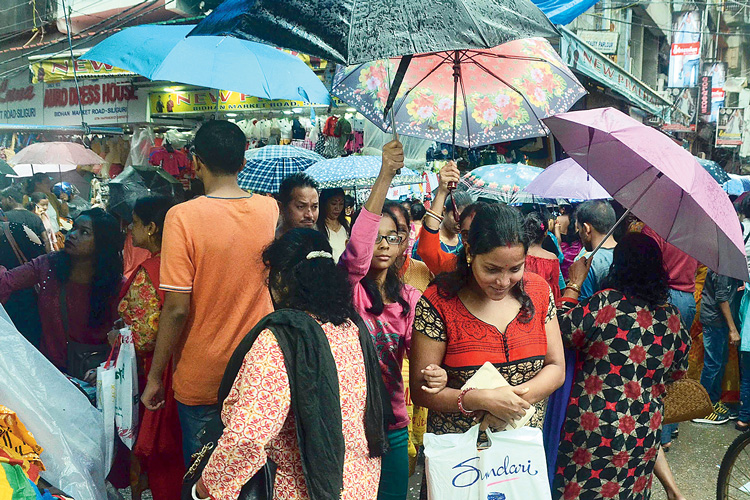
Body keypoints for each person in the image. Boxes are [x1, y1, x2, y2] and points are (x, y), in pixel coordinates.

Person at [194, 228, 388, 500]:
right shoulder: (351, 327)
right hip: (358, 483)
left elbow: (247, 437)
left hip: (299, 489)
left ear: (283, 280)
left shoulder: (282, 340)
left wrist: (205, 488)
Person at [141, 120, 279, 465]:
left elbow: (175, 309)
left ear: (196, 161)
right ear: (243, 162)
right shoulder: (268, 209)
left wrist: (155, 376)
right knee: (254, 478)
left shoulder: (182, 217)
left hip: (202, 376)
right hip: (257, 370)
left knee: (207, 479)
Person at [410, 203, 565, 497]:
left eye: (515, 269)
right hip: (460, 465)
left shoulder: (540, 291)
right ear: (470, 253)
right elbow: (421, 391)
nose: (503, 281)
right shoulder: (439, 302)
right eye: (491, 269)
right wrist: (480, 399)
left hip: (519, 458)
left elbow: (556, 367)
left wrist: (512, 401)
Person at [554, 232, 690, 500]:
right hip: (643, 430)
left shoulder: (607, 304)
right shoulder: (673, 320)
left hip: (594, 427)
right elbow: (677, 372)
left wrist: (573, 284)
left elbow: (561, 331)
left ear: (619, 265)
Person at [338, 140, 424, 500]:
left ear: (404, 242)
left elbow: (417, 356)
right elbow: (358, 252)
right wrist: (386, 175)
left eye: (394, 237)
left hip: (393, 422)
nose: (384, 245)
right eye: (378, 236)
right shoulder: (349, 288)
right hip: (350, 423)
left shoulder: (410, 300)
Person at [116, 195, 183, 500]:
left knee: (160, 448)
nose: (131, 228)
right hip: (182, 360)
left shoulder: (151, 270)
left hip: (156, 368)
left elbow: (144, 336)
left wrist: (116, 336)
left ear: (152, 227)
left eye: (136, 222)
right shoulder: (183, 261)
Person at [0, 208, 123, 373]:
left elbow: (124, 336)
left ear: (103, 243)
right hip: (49, 371)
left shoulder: (117, 285)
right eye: (74, 228)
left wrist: (107, 368)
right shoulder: (49, 265)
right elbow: (6, 282)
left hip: (96, 375)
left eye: (84, 232)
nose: (72, 235)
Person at [641, 224, 698, 447]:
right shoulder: (694, 230)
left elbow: (649, 266)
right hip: (687, 298)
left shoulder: (655, 229)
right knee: (677, 367)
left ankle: (661, 436)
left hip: (663, 297)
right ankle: (671, 428)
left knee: (658, 368)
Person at [693, 268, 742, 425]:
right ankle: (701, 409)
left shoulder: (724, 264)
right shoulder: (722, 268)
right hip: (715, 320)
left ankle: (712, 402)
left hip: (717, 320)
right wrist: (733, 329)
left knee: (719, 363)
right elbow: (721, 297)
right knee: (712, 364)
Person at [0, 220, 44, 346]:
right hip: (27, 302)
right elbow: (43, 256)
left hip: (11, 308)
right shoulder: (16, 228)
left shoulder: (14, 228)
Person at [412, 187, 470, 262]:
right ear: (444, 211)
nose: (460, 223)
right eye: (457, 217)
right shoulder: (426, 244)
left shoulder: (464, 240)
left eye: (465, 218)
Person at [575, 200, 617, 300]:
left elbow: (583, 305)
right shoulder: (628, 254)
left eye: (579, 228)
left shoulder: (586, 262)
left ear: (586, 229)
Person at [524, 211, 562, 306]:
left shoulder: (519, 255)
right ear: (545, 233)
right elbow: (555, 287)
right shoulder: (552, 258)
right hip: (544, 303)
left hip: (523, 301)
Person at [317, 188, 350, 262]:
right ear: (324, 203)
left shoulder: (346, 225)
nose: (337, 208)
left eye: (341, 204)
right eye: (333, 204)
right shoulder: (317, 227)